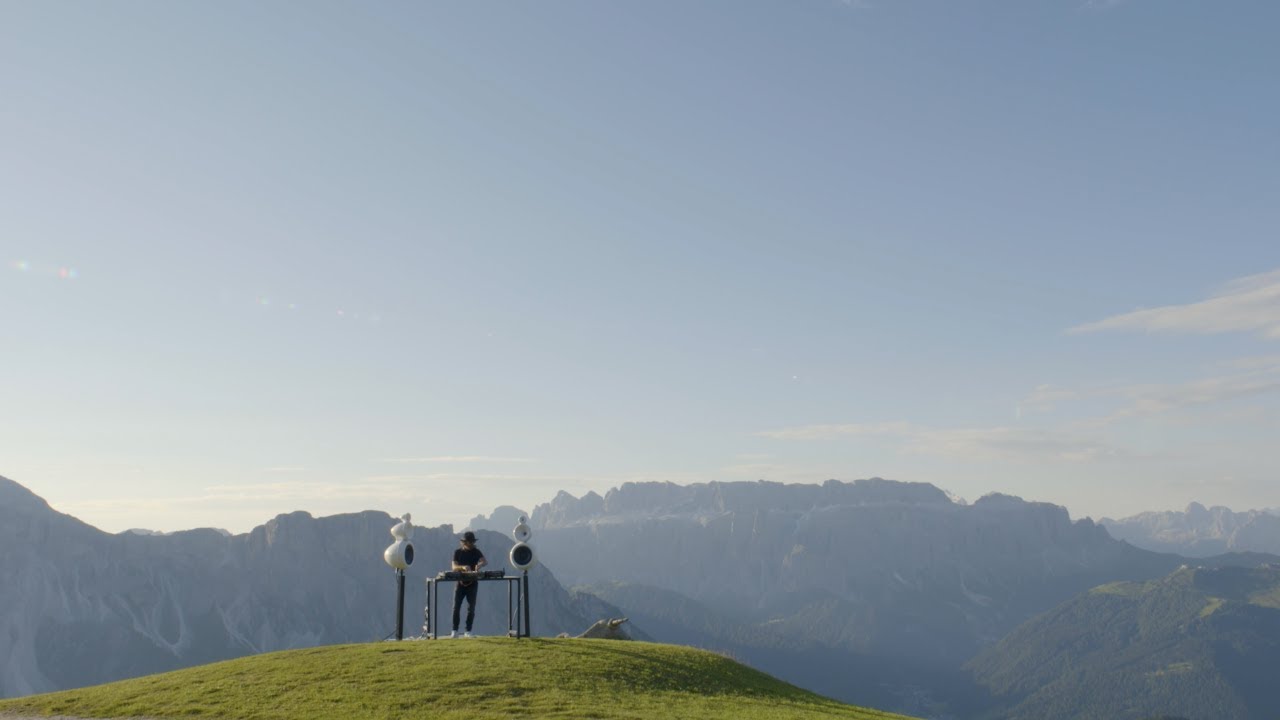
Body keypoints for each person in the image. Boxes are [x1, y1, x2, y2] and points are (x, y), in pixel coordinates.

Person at [450, 530, 487, 638]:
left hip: (473, 583)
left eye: (472, 542)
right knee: (456, 607)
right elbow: (453, 567)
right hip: (460, 583)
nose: (471, 544)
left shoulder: (476, 552)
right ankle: (454, 630)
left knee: (471, 608)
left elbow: (485, 561)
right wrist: (463, 567)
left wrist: (480, 564)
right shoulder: (457, 552)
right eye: (469, 542)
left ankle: (468, 631)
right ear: (464, 542)